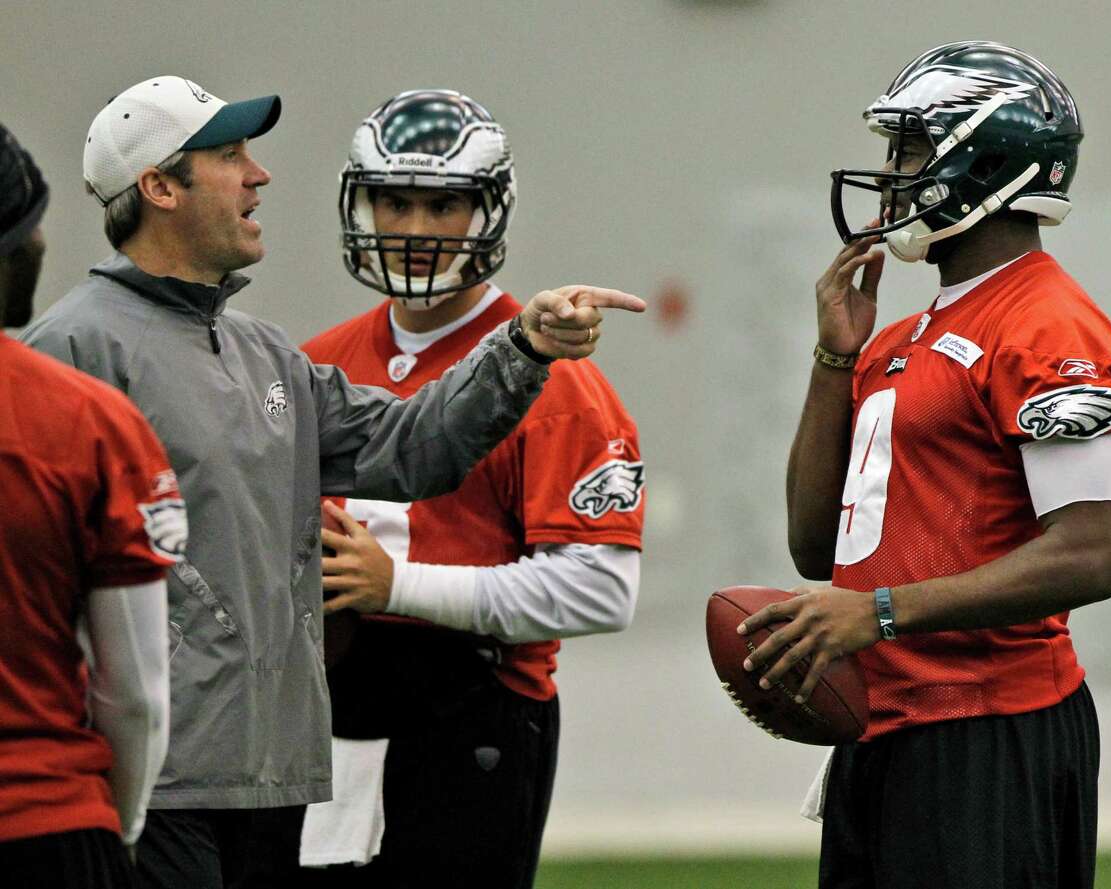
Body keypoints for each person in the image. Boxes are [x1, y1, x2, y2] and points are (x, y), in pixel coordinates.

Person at [20, 76, 644, 889]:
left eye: (442, 204)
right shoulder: (70, 351)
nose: (261, 175)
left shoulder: (270, 355)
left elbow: (412, 447)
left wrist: (522, 347)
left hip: (279, 775)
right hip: (156, 783)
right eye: (231, 155)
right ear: (160, 186)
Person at [739, 43, 1111, 888]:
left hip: (990, 733)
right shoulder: (897, 338)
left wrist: (879, 614)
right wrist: (832, 358)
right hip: (886, 729)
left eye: (912, 150)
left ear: (986, 160)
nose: (892, 174)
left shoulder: (1049, 324)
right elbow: (816, 549)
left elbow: (1091, 555)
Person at [294, 90, 645, 889]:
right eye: (394, 199)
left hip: (472, 717)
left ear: (488, 210)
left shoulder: (554, 376)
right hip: (326, 712)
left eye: (444, 203)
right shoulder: (314, 360)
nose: (415, 227)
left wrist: (401, 586)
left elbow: (602, 589)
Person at [0, 122, 177, 887]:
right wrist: (126, 822)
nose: (43, 245)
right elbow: (134, 688)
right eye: (32, 225)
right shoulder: (85, 421)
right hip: (43, 819)